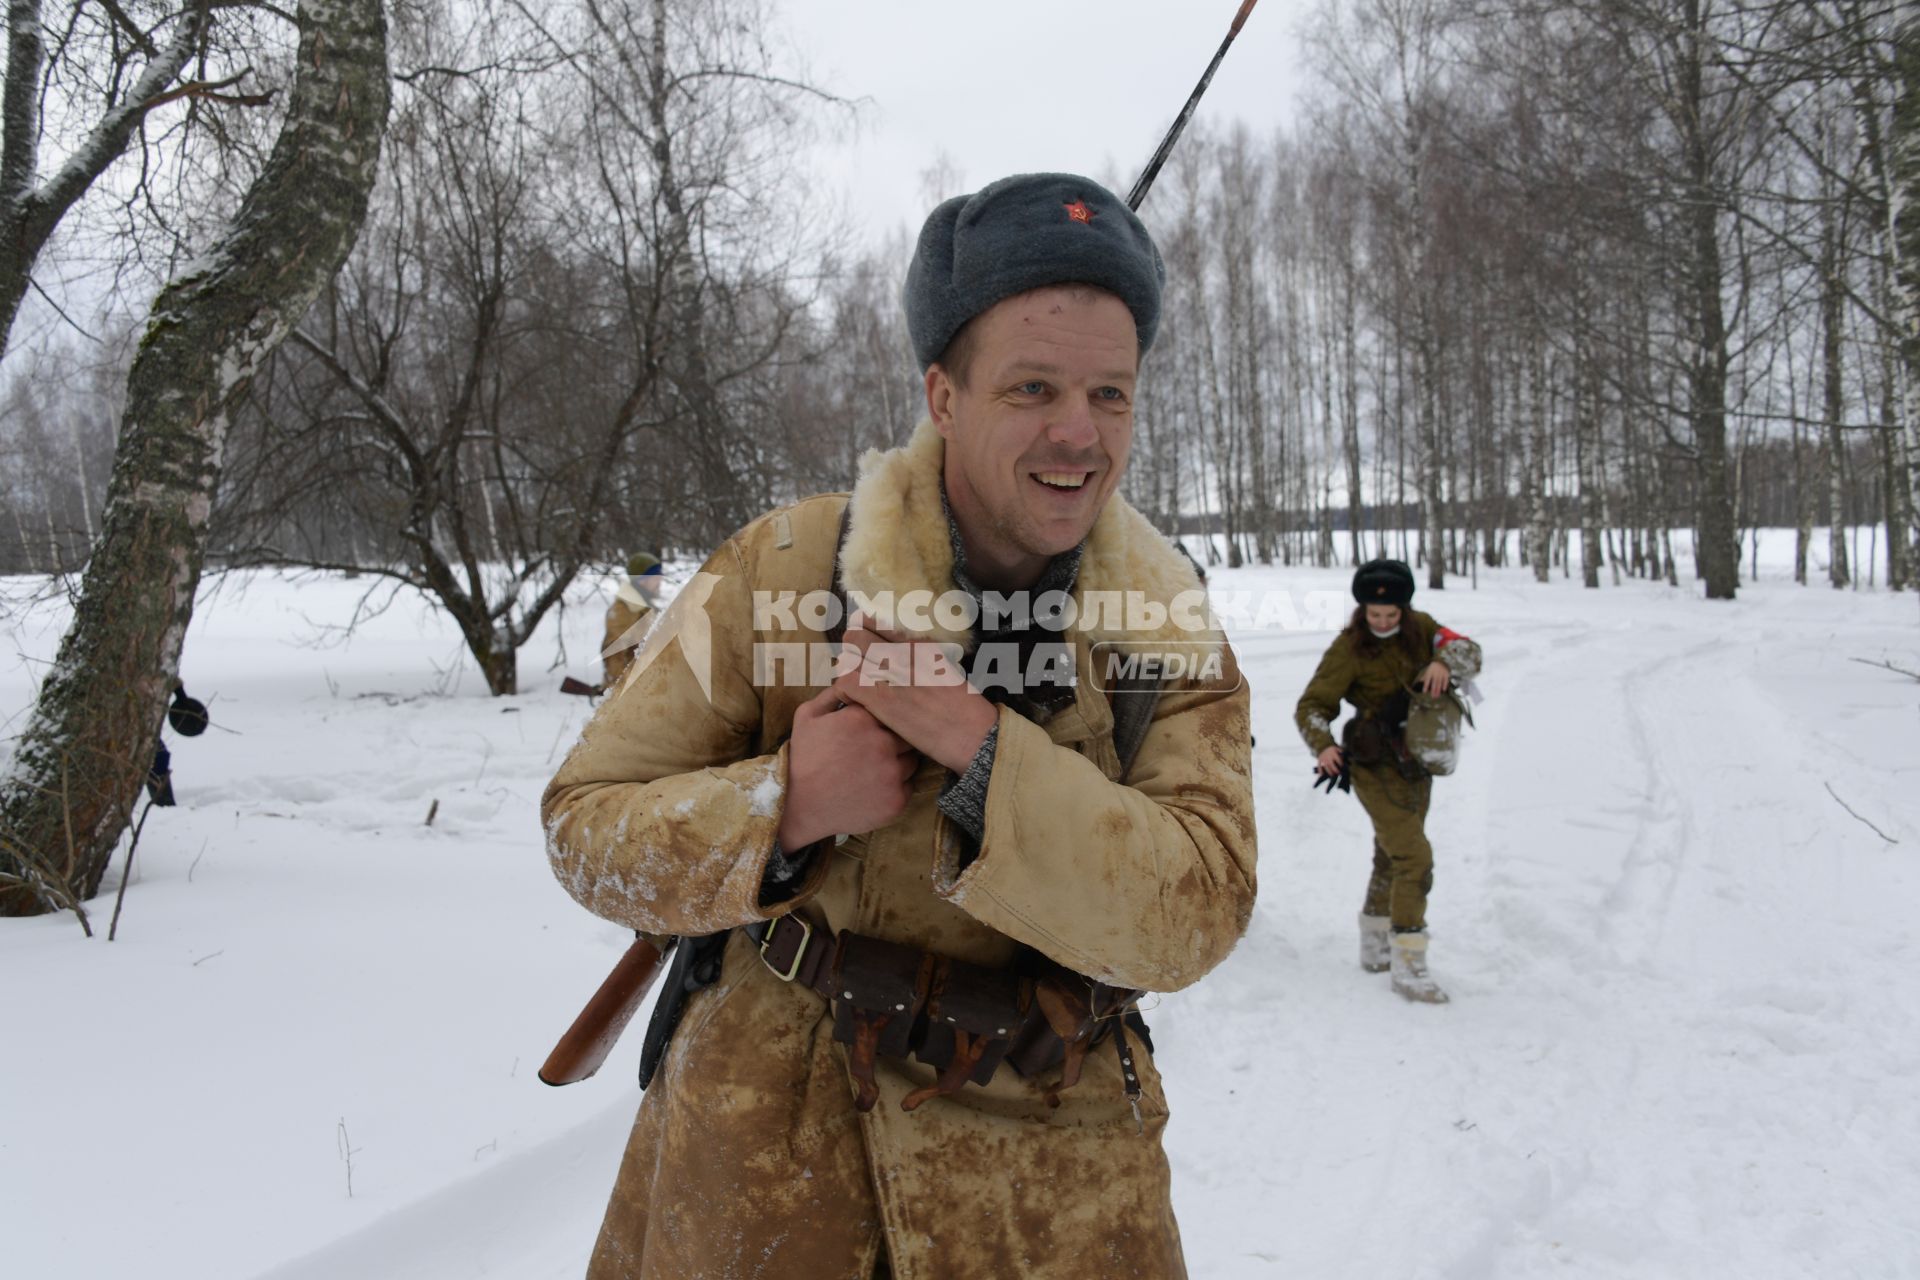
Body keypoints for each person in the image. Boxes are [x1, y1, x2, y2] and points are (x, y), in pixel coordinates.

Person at [542, 173, 1257, 1279]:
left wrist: (978, 748)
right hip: (766, 1176)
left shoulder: (1160, 618)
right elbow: (584, 825)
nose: (1080, 433)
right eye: (1031, 387)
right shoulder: (778, 571)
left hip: (1057, 1200)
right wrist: (783, 804)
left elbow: (1199, 904)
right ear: (942, 395)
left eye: (1111, 394)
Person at [1295, 558, 1480, 1004]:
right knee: (1415, 858)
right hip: (1372, 765)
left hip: (1417, 762)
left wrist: (1442, 660)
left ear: (1404, 608)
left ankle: (1375, 947)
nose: (1382, 621)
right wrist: (1322, 745)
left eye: (1391, 614)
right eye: (1374, 615)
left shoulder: (1423, 627)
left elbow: (1471, 654)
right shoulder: (1350, 646)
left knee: (1390, 854)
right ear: (1362, 610)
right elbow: (1312, 705)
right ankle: (1410, 963)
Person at [602, 552, 665, 687]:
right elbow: (614, 656)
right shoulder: (623, 610)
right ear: (642, 579)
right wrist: (622, 690)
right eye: (655, 575)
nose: (660, 579)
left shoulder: (643, 605)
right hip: (634, 693)